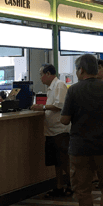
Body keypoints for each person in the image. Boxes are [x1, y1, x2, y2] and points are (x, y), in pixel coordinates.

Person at [60, 54, 103, 206]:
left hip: (79, 148)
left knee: (83, 191)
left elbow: (64, 120)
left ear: (81, 70)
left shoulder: (74, 90)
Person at [30, 64, 72, 197]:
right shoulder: (50, 88)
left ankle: (73, 185)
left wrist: (41, 107)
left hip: (60, 130)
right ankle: (59, 186)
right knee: (56, 162)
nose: (40, 78)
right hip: (51, 130)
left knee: (64, 161)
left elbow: (59, 106)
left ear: (48, 74)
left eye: (41, 74)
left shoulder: (59, 85)